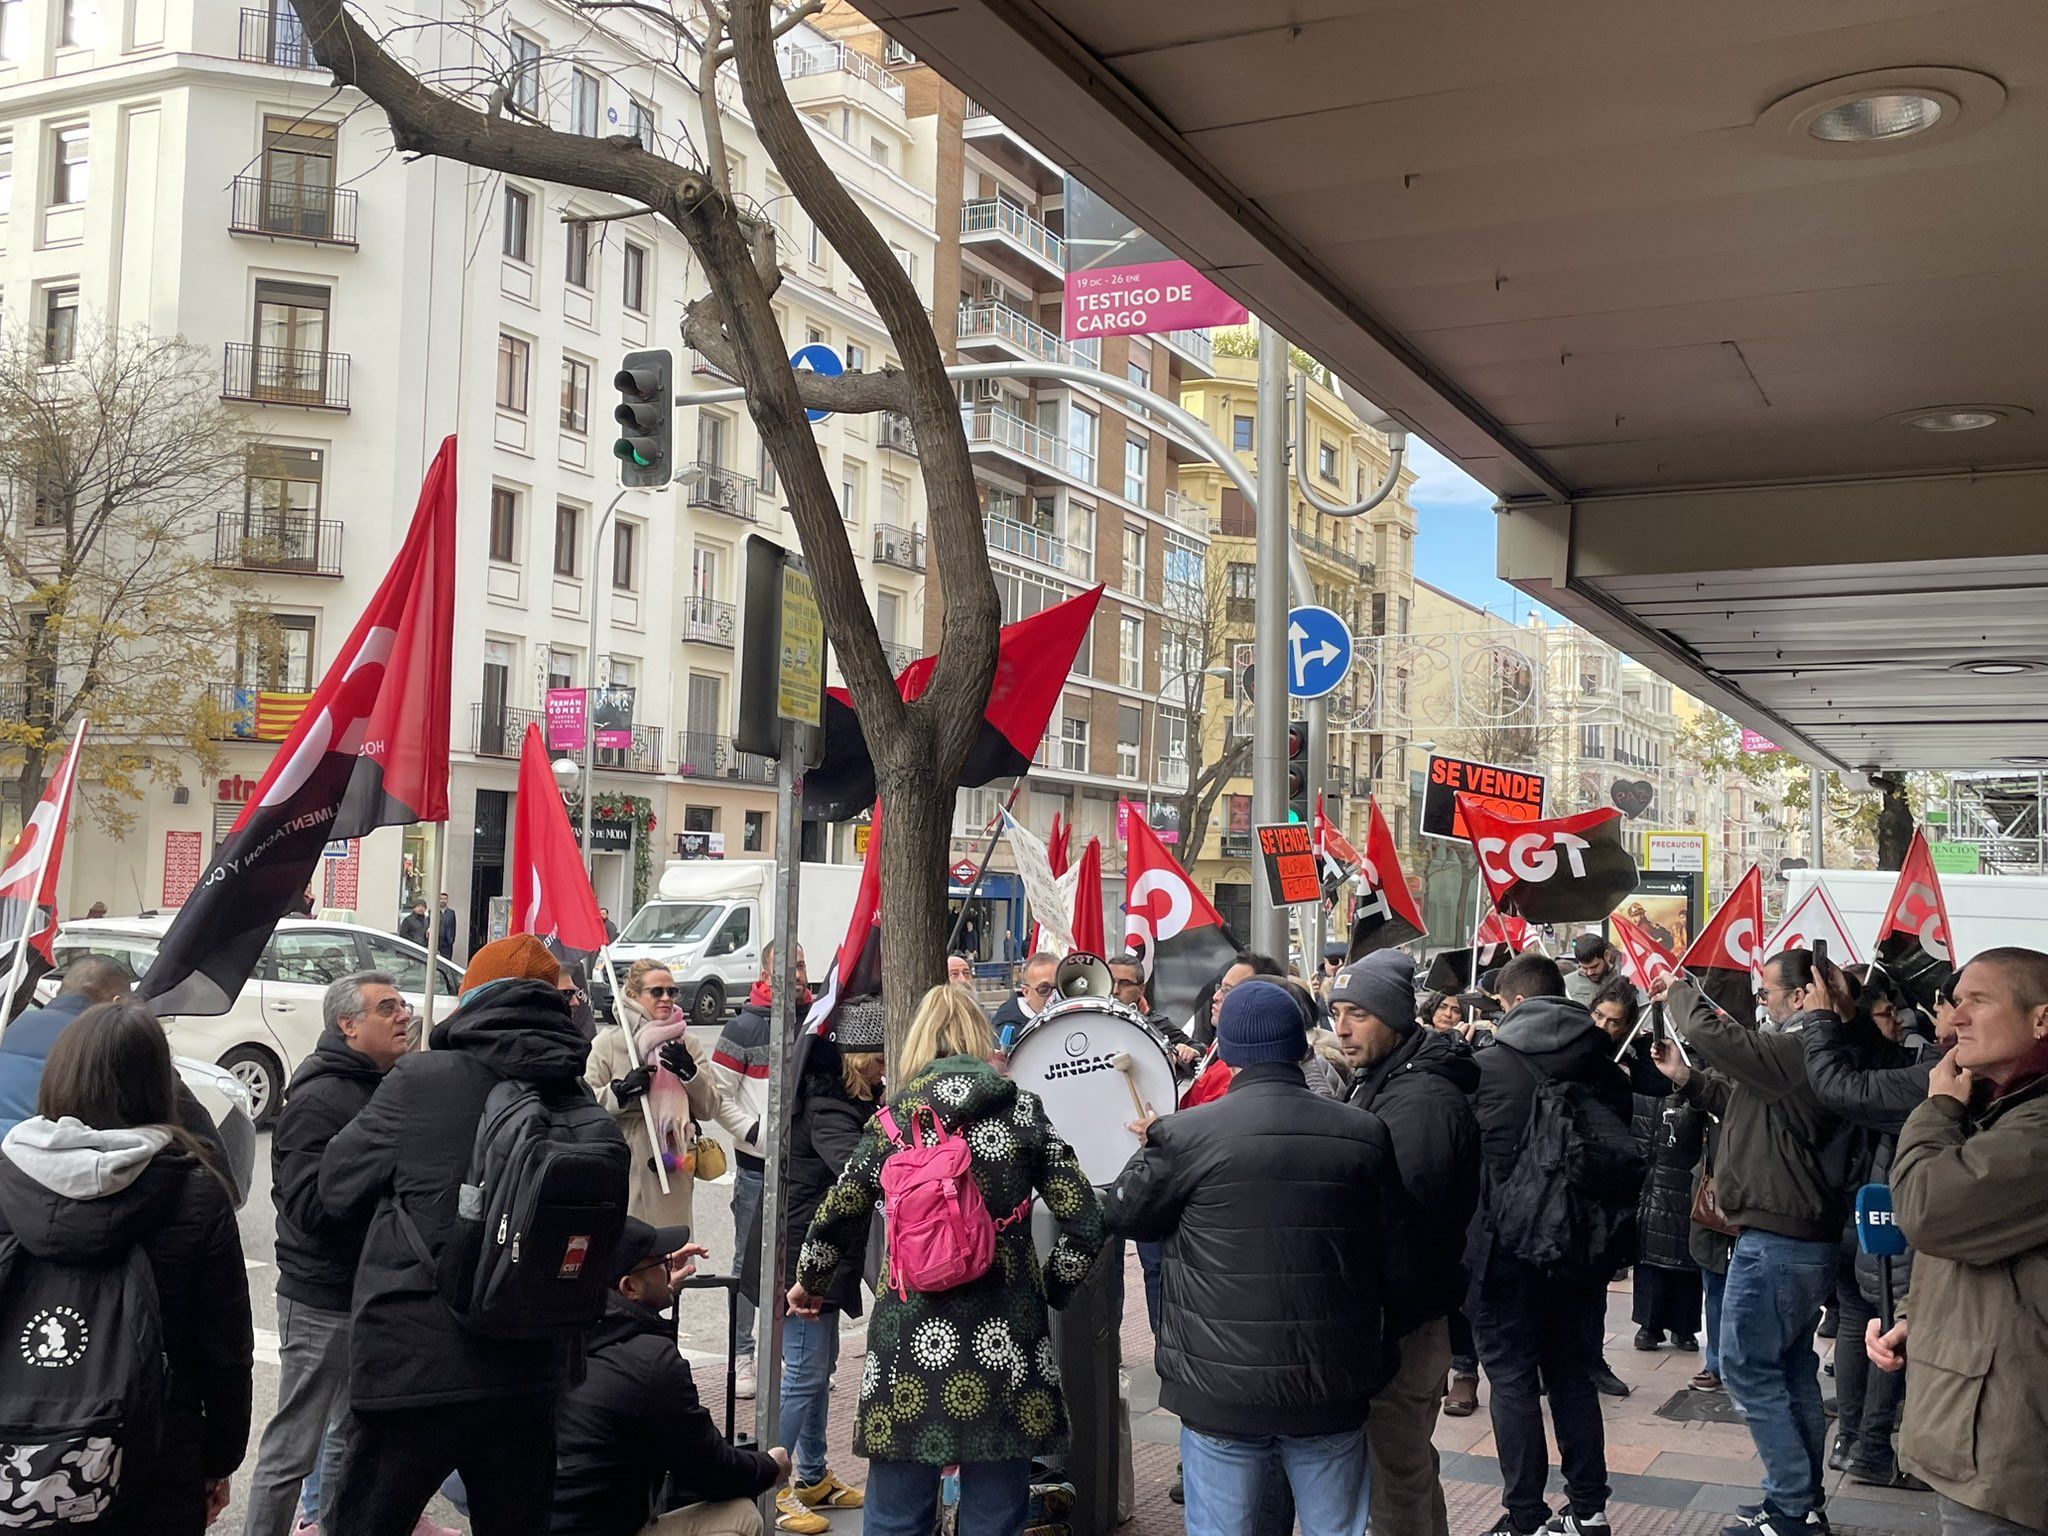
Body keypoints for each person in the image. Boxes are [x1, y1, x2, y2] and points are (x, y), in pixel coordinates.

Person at [318, 934, 626, 1536]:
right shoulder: (574, 1091)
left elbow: (333, 1189)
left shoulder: (422, 1079)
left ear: (472, 1000)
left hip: (415, 1367)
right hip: (531, 1369)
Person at [789, 985, 1105, 1536]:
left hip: (908, 1338)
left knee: (893, 1513)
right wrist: (1053, 1288)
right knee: (995, 1513)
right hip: (1007, 1335)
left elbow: (837, 1213)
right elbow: (1086, 1220)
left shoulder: (891, 1123)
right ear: (980, 1039)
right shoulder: (1023, 1113)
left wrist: (810, 1283)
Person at [1105, 977, 1398, 1536]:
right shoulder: (1362, 1133)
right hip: (1331, 1381)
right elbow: (1395, 1253)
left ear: (1228, 1048)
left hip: (1220, 1389)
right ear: (1300, 1045)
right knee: (1336, 1528)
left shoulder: (1185, 1135)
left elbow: (1124, 1215)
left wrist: (1146, 1155)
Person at [0, 1000, 253, 1534]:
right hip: (154, 1453)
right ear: (161, 1084)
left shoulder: (7, 1176)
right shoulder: (196, 1190)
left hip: (14, 1456)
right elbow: (225, 1350)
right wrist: (219, 1460)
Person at [1661, 952, 1845, 1536]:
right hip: (1784, 1236)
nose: (1759, 1000)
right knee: (1789, 1370)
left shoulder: (1798, 1050)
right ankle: (1798, 1500)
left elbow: (1703, 1028)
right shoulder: (1790, 1056)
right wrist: (1690, 1082)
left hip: (1779, 1240)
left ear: (1799, 997)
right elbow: (1745, 1105)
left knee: (1745, 1367)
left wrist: (1678, 990)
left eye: (1767, 991)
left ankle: (1792, 1505)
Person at [1868, 946, 2048, 1536]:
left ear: (2041, 1020)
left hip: (2008, 1452)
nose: (1954, 1017)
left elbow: (1928, 1210)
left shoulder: (2032, 1124)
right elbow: (1990, 1256)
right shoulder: (2002, 1106)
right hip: (1983, 1431)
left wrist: (1937, 1105)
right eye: (1954, 1000)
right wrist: (1918, 1316)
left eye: (1978, 1000)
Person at [1467, 953, 1638, 1536]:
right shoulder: (1609, 1069)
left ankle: (1525, 1517)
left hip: (1504, 1251)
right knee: (1572, 1376)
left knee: (1512, 1380)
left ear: (1512, 1003)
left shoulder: (1488, 1069)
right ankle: (1590, 1510)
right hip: (1581, 1252)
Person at [241, 973, 413, 1536]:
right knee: (294, 1449)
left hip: (370, 1293)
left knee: (347, 1437)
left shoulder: (382, 1086)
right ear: (347, 1024)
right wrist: (374, 1160)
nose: (403, 1015)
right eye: (386, 1008)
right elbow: (307, 1210)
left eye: (402, 1004)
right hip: (321, 1297)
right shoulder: (319, 1098)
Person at [1329, 951, 1479, 1536]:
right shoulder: (1388, 1082)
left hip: (1404, 1323)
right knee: (1403, 1467)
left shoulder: (1419, 1102)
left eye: (1358, 1014)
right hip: (1400, 1317)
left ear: (1395, 1019)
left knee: (1396, 1472)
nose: (1341, 1028)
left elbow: (1403, 1222)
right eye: (1337, 1012)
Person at [551, 1217, 790, 1536]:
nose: (669, 1266)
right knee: (741, 1516)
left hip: (540, 1520)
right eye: (659, 1263)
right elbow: (711, 1471)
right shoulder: (649, 1361)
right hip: (602, 1526)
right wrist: (772, 1467)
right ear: (629, 1287)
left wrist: (658, 1293)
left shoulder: (556, 1334)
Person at [743, 998, 883, 1533]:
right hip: (801, 1256)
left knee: (817, 1372)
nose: (884, 1068)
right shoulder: (828, 1108)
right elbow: (858, 1167)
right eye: (877, 1059)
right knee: (802, 1374)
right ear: (856, 1058)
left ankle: (815, 1476)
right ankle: (769, 1486)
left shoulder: (843, 1101)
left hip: (816, 1252)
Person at [1798, 958, 1934, 1489]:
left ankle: (1860, 1443)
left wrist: (1836, 1019)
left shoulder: (1931, 1068)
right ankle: (1865, 1443)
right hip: (1870, 1219)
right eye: (1886, 1012)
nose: (1899, 1020)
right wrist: (1834, 1018)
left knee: (1876, 1325)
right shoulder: (1935, 1071)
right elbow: (1846, 1083)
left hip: (1881, 1218)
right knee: (1874, 1327)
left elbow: (1867, 1071)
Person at [0, 956, 237, 1191]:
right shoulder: (124, 1046)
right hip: (74, 1188)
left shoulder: (7, 1028)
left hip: (18, 1180)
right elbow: (210, 1155)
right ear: (116, 1001)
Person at [710, 942, 808, 1401]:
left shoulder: (815, 1023)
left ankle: (784, 1352)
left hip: (805, 1166)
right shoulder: (743, 1026)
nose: (799, 973)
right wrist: (755, 1133)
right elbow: (716, 1095)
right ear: (767, 972)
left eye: (803, 964)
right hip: (755, 1168)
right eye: (789, 965)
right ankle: (743, 1354)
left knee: (798, 1259)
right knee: (747, 1263)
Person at [1589, 977, 1704, 1353]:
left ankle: (1684, 1325)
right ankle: (1649, 1323)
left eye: (1614, 1021)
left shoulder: (1653, 1052)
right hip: (1638, 1161)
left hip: (1676, 1158)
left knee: (1683, 1247)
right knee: (1646, 1251)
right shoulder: (1605, 1056)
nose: (1605, 1027)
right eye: (1599, 1017)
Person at [590, 960, 720, 1229]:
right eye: (657, 992)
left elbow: (710, 1107)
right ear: (634, 995)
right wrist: (620, 1092)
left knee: (672, 1256)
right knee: (631, 1258)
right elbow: (585, 1099)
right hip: (626, 1163)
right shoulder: (611, 1043)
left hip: (674, 1166)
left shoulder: (687, 1043)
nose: (666, 998)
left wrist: (690, 1074)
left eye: (672, 992)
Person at [1110, 953, 1200, 1070]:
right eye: (1111, 981)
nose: (1115, 990)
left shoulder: (1155, 1024)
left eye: (1125, 984)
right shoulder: (1089, 1019)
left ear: (1141, 989)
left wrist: (1189, 1050)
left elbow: (1198, 1047)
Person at [989, 950, 1057, 1046]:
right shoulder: (1008, 1031)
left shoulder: (1074, 1017)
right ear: (1026, 991)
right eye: (1044, 989)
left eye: (1061, 987)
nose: (1055, 995)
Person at [1563, 934, 1613, 1006]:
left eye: (1594, 967)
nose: (1589, 973)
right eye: (1584, 968)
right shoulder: (1567, 984)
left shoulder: (1622, 978)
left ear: (1607, 956)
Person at [436, 893, 458, 959]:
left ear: (447, 900)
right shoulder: (433, 912)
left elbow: (454, 927)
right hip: (436, 941)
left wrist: (452, 940)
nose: (443, 900)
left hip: (447, 942)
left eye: (445, 899)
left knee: (447, 960)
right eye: (441, 899)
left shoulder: (451, 913)